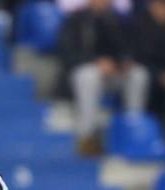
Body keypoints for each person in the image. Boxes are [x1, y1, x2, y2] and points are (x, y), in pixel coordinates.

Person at [56, 0, 147, 156]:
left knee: (138, 74)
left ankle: (133, 130)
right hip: (84, 72)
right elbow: (67, 54)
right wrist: (95, 62)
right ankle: (87, 136)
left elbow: (130, 48)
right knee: (88, 75)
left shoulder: (120, 20)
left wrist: (122, 63)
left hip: (114, 74)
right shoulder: (75, 19)